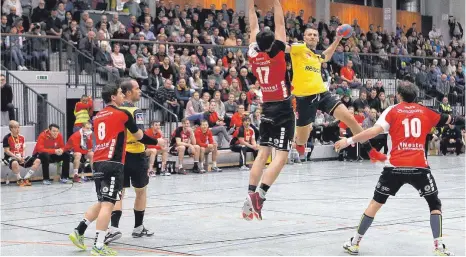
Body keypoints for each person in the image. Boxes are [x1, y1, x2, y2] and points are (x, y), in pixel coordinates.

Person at [334, 82, 464, 256]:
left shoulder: (392, 111)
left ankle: (355, 243)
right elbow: (452, 120)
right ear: (415, 96)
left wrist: (348, 141)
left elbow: (372, 132)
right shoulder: (426, 111)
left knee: (375, 204)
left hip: (394, 167)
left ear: (399, 96)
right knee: (434, 205)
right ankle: (439, 247)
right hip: (419, 167)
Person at [68, 84, 159, 256]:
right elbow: (140, 136)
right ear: (112, 97)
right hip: (114, 163)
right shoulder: (123, 114)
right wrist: (157, 142)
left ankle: (78, 231)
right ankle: (98, 245)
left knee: (103, 201)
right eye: (119, 93)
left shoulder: (97, 116)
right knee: (108, 205)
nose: (122, 96)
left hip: (98, 161)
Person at [286, 21, 386, 162]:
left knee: (350, 118)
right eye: (309, 34)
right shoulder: (299, 48)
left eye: (315, 35)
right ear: (304, 37)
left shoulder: (315, 56)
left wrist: (338, 38)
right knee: (302, 138)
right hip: (304, 98)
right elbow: (284, 48)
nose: (312, 37)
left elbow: (326, 56)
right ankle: (299, 144)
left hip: (322, 94)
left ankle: (371, 151)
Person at [240, 0, 294, 221]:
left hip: (266, 108)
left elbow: (252, 26)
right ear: (273, 43)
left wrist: (250, 4)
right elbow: (280, 23)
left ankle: (250, 195)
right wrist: (277, 3)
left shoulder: (254, 54)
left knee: (262, 154)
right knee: (280, 157)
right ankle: (259, 195)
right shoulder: (278, 54)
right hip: (282, 108)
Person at [106, 79, 156, 244]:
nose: (139, 91)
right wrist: (155, 142)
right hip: (136, 155)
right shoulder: (136, 111)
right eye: (136, 89)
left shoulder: (114, 110)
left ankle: (113, 228)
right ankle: (138, 227)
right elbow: (139, 134)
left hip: (118, 156)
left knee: (119, 192)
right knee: (140, 191)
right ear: (128, 92)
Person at [2, 120, 41, 186]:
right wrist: (17, 157)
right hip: (10, 157)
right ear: (11, 128)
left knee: (37, 160)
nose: (17, 129)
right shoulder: (7, 138)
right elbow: (7, 151)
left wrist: (22, 157)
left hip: (21, 157)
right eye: (15, 127)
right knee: (14, 162)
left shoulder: (22, 137)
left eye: (18, 127)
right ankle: (19, 179)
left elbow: (23, 148)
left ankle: (26, 178)